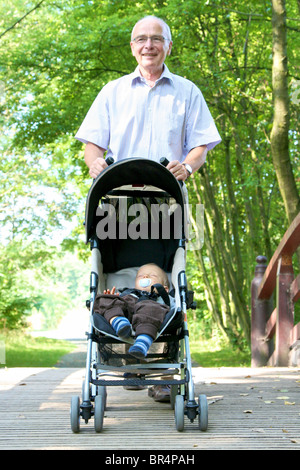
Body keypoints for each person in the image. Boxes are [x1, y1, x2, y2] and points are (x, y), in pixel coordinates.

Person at [75, 15, 221, 181]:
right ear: (132, 47)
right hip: (118, 191)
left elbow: (201, 144)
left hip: (170, 193)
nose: (148, 45)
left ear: (169, 47)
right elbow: (93, 144)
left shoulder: (189, 92)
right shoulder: (111, 91)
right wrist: (96, 164)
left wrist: (186, 168)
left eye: (156, 39)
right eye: (141, 39)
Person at [93, 263, 172, 359]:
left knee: (150, 307)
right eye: (140, 276)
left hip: (148, 316)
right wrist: (111, 298)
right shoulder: (128, 293)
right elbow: (115, 303)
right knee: (103, 299)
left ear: (165, 289)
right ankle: (119, 322)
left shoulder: (162, 299)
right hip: (125, 314)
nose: (145, 276)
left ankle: (142, 343)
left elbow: (174, 309)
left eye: (153, 275)